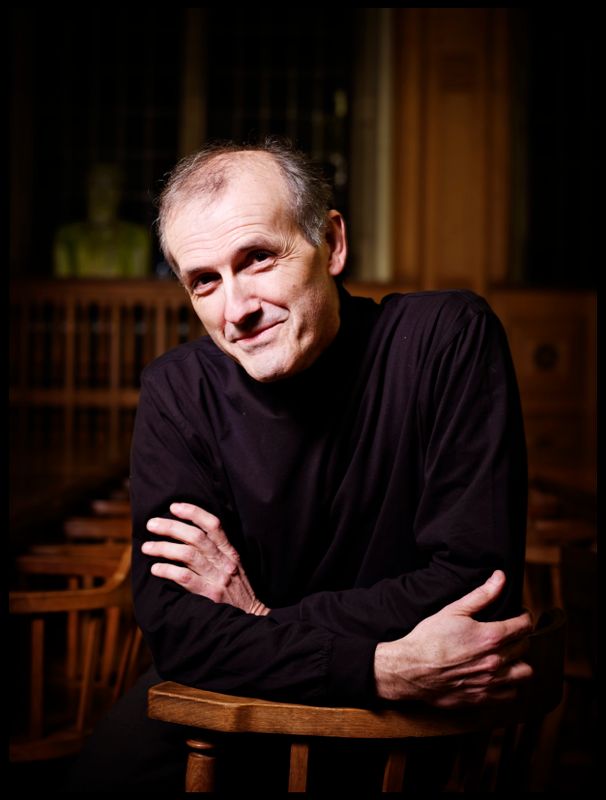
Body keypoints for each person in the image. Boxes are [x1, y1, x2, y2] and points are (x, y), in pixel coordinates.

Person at [66, 139, 531, 791]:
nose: (237, 310)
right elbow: (181, 635)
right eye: (205, 281)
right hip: (228, 706)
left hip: (400, 725)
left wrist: (259, 621)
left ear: (332, 243)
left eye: (257, 258)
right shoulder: (178, 391)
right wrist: (374, 666)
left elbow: (476, 584)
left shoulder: (445, 339)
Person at [53, 163, 150, 278]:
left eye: (111, 185)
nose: (102, 192)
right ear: (86, 188)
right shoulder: (67, 236)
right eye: (95, 184)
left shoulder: (135, 237)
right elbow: (64, 283)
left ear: (120, 192)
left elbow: (136, 285)